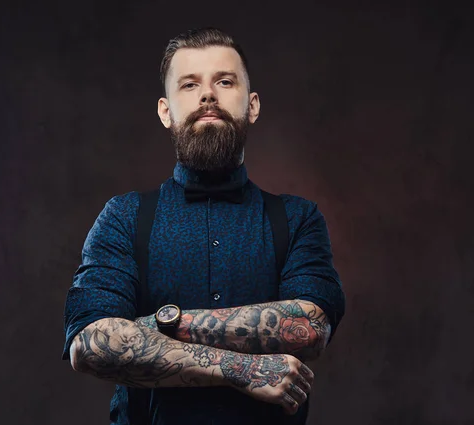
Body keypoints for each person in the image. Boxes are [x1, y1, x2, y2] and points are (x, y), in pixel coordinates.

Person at [62, 27, 346, 425]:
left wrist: (154, 326)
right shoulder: (123, 217)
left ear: (252, 105)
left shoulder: (299, 219)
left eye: (224, 82)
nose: (208, 95)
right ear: (166, 111)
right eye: (189, 84)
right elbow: (90, 344)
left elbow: (309, 326)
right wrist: (239, 369)